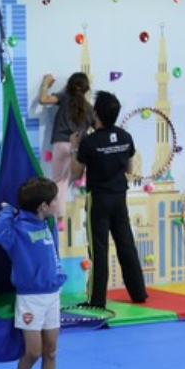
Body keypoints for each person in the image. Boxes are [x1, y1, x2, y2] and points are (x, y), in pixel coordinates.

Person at [0, 177, 68, 369]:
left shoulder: (46, 224)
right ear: (43, 206)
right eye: (54, 199)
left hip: (52, 296)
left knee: (51, 350)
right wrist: (7, 212)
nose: (57, 202)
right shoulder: (17, 229)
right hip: (30, 299)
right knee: (33, 351)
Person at [70, 91, 148, 308]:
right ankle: (139, 293)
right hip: (119, 197)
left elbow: (75, 174)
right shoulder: (125, 137)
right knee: (126, 244)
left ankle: (96, 301)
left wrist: (74, 146)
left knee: (98, 248)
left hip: (99, 199)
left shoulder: (89, 142)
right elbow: (129, 168)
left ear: (96, 114)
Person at [38, 72, 92, 225]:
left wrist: (45, 84)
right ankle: (82, 176)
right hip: (79, 146)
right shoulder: (89, 108)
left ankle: (59, 218)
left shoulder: (64, 97)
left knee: (59, 181)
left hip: (61, 143)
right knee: (70, 177)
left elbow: (43, 100)